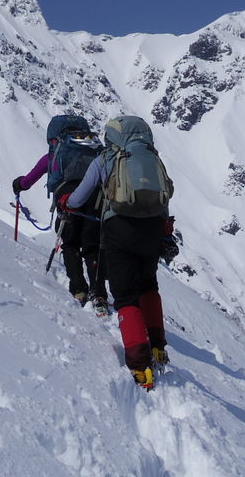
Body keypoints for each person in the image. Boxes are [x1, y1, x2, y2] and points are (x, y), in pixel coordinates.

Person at [61, 115, 172, 390]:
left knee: (124, 297)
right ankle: (158, 347)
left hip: (118, 229)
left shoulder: (106, 158)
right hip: (152, 230)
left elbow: (79, 197)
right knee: (149, 286)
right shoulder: (152, 158)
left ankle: (140, 365)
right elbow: (164, 197)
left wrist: (66, 201)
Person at [12, 114, 108, 311]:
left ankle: (79, 290)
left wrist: (18, 184)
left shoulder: (54, 155)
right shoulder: (96, 152)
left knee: (70, 245)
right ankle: (99, 295)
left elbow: (28, 181)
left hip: (67, 204)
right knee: (93, 247)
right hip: (96, 202)